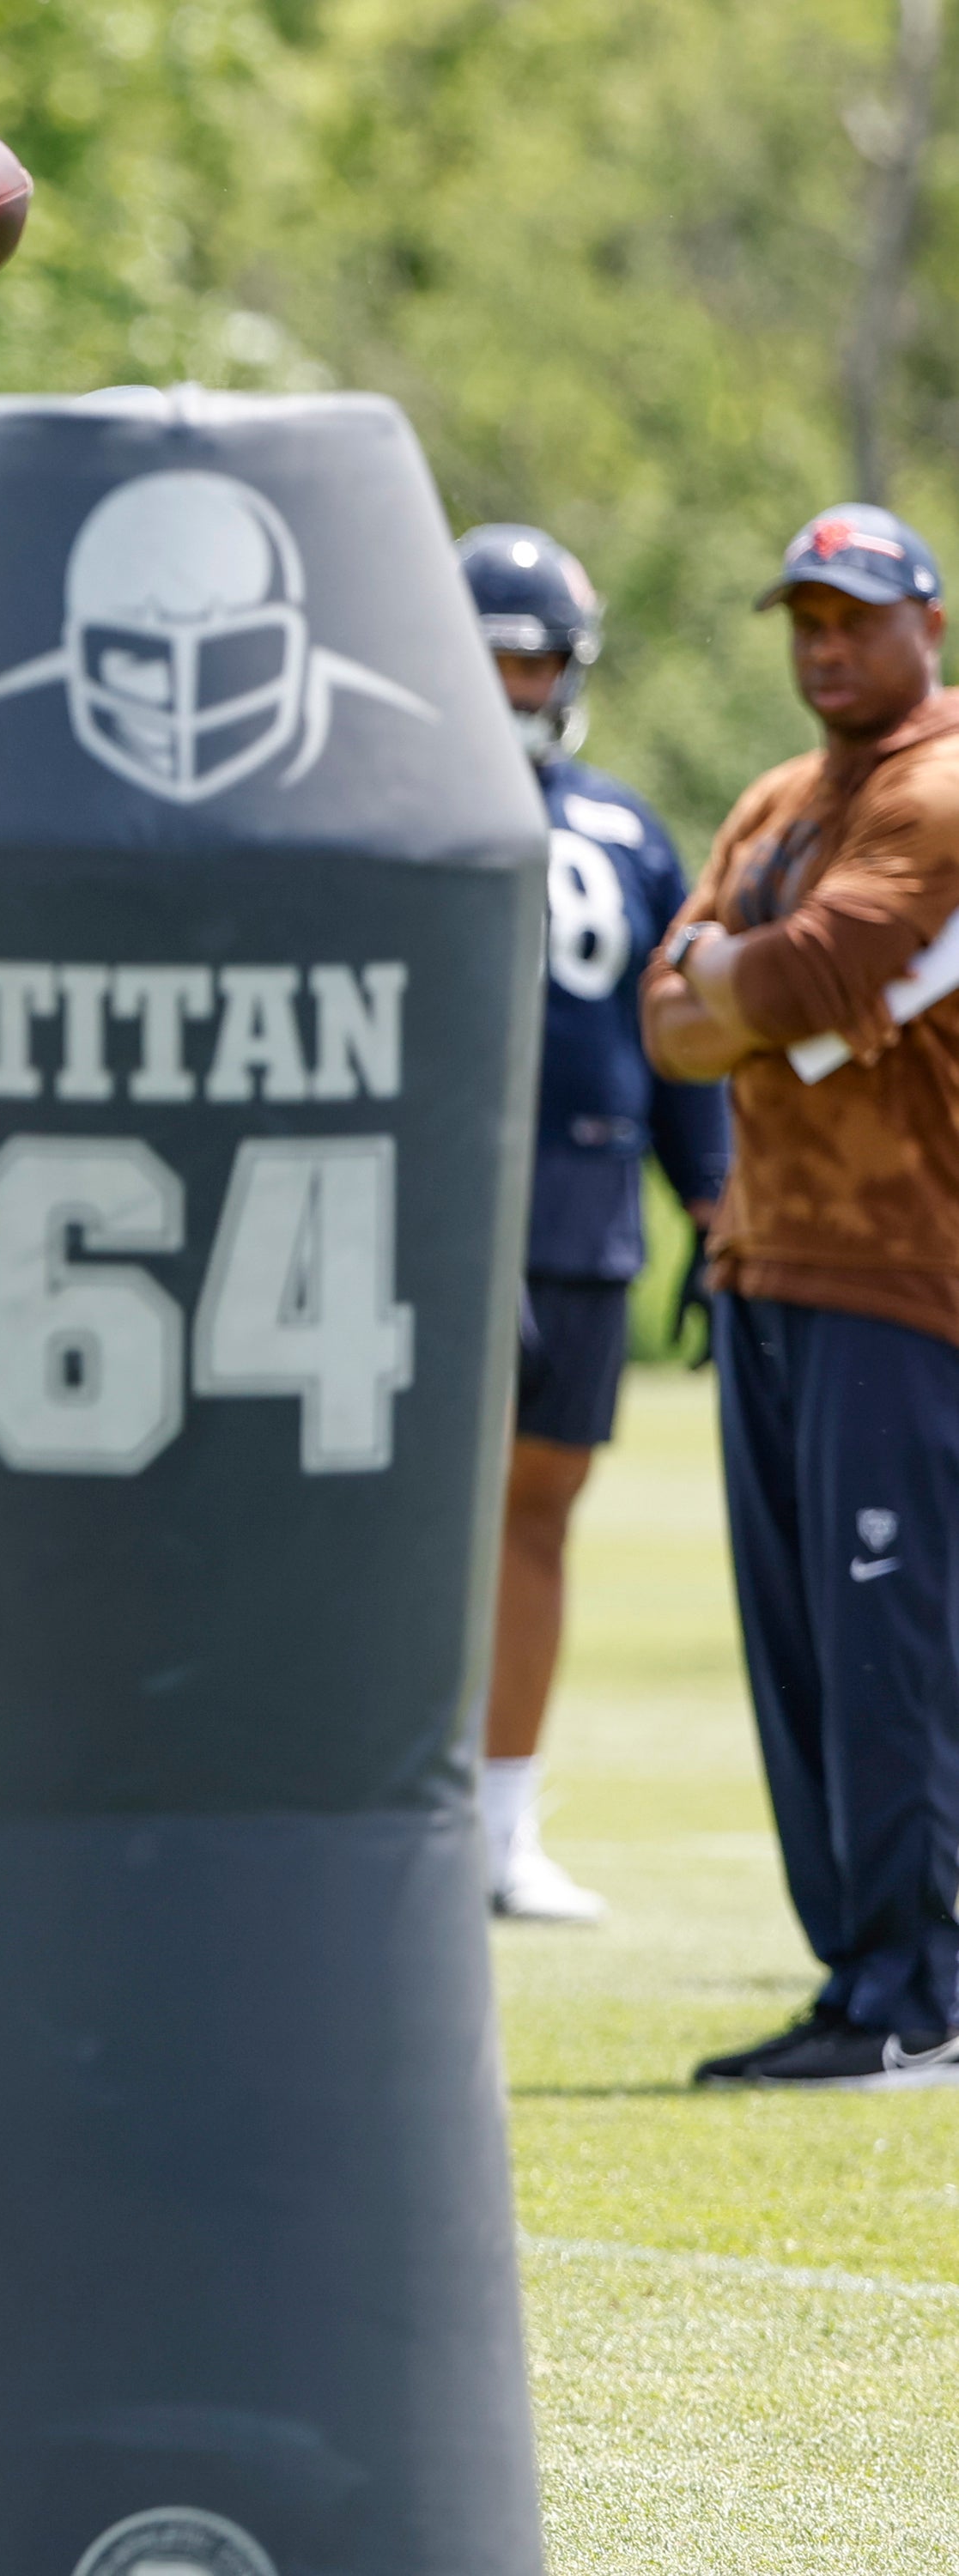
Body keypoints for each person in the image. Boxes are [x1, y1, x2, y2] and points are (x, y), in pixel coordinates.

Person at [645, 502, 959, 2089]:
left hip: (906, 1268)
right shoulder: (781, 796)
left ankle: (923, 1986)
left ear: (931, 626)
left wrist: (736, 984)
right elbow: (671, 1015)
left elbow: (786, 983)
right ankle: (863, 1979)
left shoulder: (944, 787)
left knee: (889, 1631)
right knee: (801, 1647)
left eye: (854, 618)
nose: (825, 646)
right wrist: (737, 988)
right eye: (805, 621)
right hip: (765, 1257)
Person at [459, 525, 727, 1925]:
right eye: (487, 656)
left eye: (534, 659)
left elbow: (675, 1030)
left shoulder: (623, 824)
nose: (511, 685)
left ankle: (502, 1822)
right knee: (406, 1521)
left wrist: (715, 1193)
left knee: (542, 1509)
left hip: (582, 1201)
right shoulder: (388, 806)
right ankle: (407, 1807)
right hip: (429, 1198)